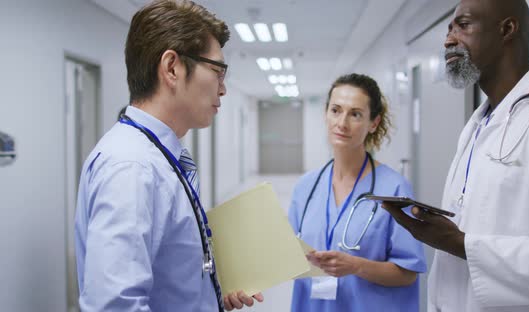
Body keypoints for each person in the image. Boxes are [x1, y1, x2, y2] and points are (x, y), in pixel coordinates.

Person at [384, 0, 529, 311]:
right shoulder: (478, 123)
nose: (448, 39)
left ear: (507, 29)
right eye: (449, 29)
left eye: (463, 26)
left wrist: (460, 244)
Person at [74, 1, 263, 311]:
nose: (223, 88)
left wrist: (208, 293)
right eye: (217, 70)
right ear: (172, 68)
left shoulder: (156, 157)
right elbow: (115, 306)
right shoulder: (132, 167)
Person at [288, 73, 426, 312]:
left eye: (355, 114)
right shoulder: (306, 186)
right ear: (326, 114)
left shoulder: (394, 188)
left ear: (373, 123)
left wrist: (356, 266)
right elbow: (288, 254)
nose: (342, 123)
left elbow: (407, 273)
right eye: (336, 110)